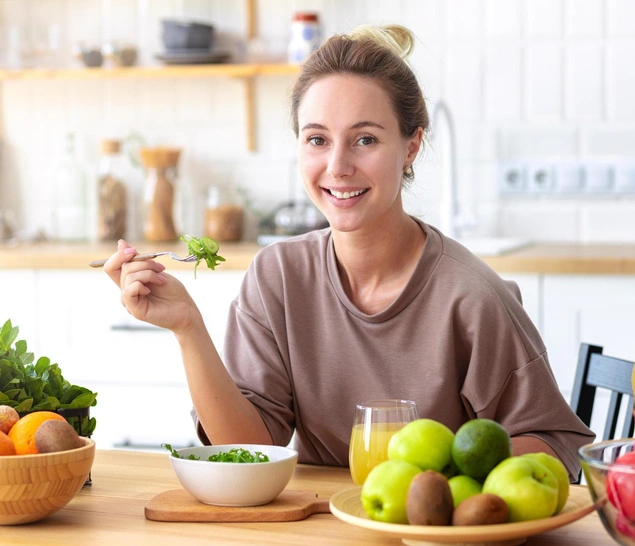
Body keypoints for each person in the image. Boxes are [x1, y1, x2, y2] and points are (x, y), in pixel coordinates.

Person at [104, 24, 595, 481]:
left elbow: (558, 444)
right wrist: (189, 328)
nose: (337, 166)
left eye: (365, 139)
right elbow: (250, 452)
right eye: (317, 139)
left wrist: (437, 480)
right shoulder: (278, 276)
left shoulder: (470, 297)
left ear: (410, 147)